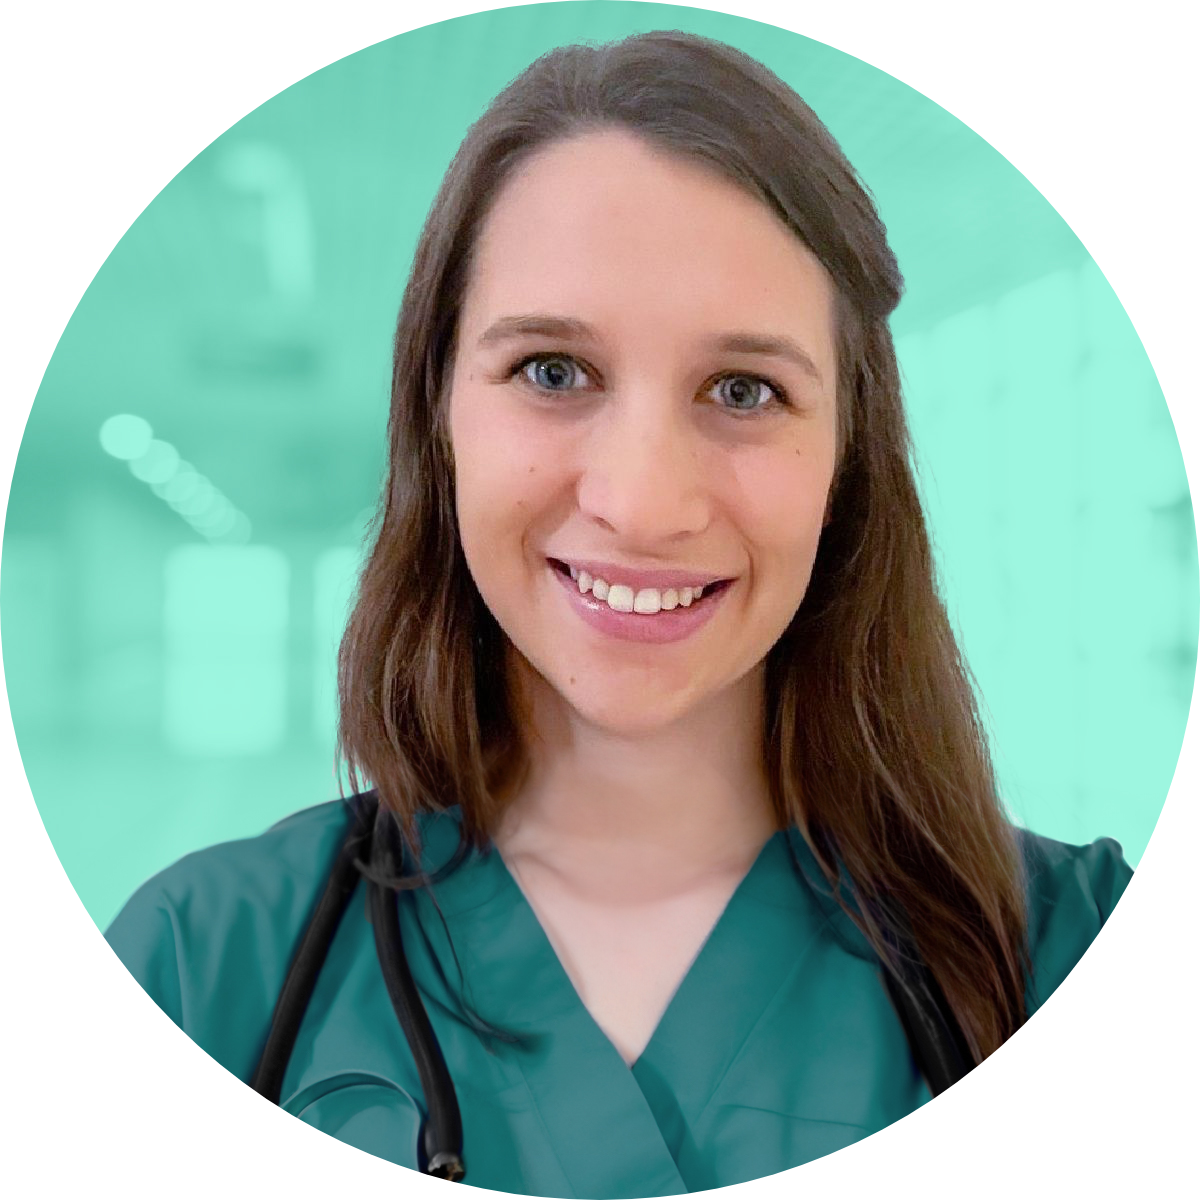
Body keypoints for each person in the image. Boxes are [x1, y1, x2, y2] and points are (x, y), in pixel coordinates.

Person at [103, 28, 1200, 1199]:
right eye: (552, 372)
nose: (641, 503)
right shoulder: (204, 966)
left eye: (744, 390)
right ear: (438, 417)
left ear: (847, 460)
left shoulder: (1083, 961)